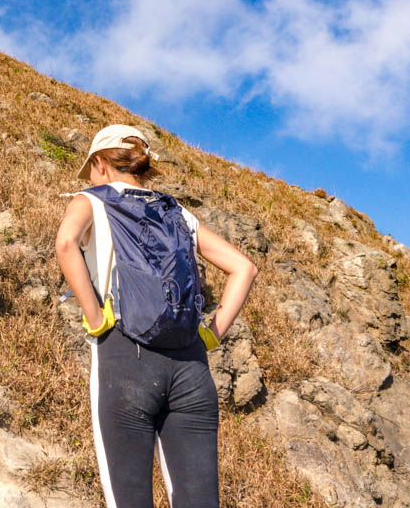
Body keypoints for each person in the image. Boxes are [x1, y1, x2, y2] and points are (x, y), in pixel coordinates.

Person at [55, 125, 258, 508]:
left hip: (124, 357)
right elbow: (244, 269)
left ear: (100, 163)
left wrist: (96, 318)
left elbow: (66, 243)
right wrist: (210, 336)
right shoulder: (177, 212)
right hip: (191, 366)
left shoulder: (91, 199)